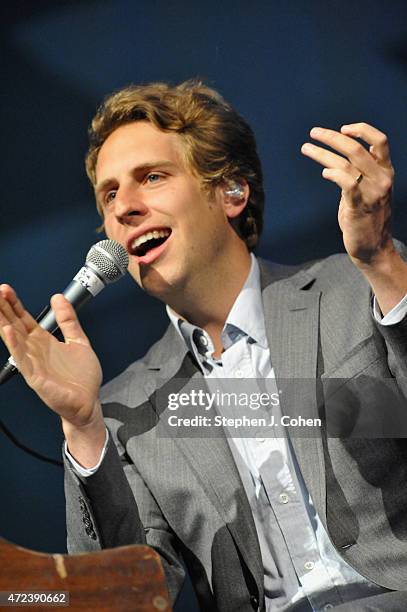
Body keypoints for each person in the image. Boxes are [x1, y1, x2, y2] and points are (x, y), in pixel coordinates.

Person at [0, 80, 407, 611]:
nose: (125, 207)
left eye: (151, 177)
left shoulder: (359, 287)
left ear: (231, 193)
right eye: (110, 194)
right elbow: (121, 599)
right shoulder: (128, 409)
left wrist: (380, 262)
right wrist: (83, 426)